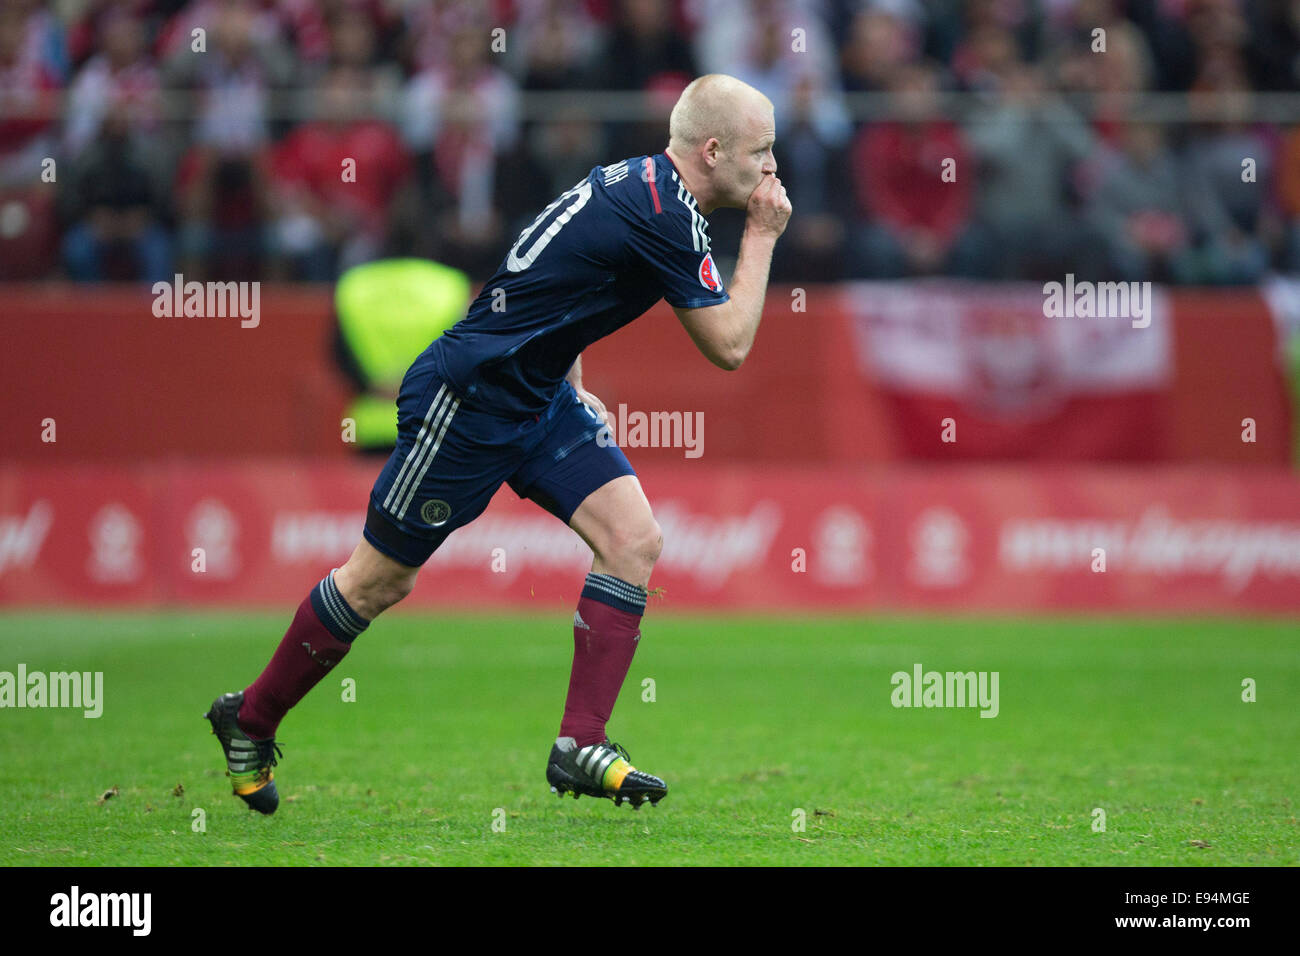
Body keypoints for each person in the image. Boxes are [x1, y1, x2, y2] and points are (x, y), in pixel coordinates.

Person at [204, 73, 792, 812]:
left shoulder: (638, 183)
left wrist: (569, 374)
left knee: (633, 540)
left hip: (538, 397)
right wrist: (764, 236)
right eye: (761, 152)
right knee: (379, 581)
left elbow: (552, 269)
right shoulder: (667, 214)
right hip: (471, 399)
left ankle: (580, 743)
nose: (772, 167)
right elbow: (730, 347)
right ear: (712, 150)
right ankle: (250, 720)